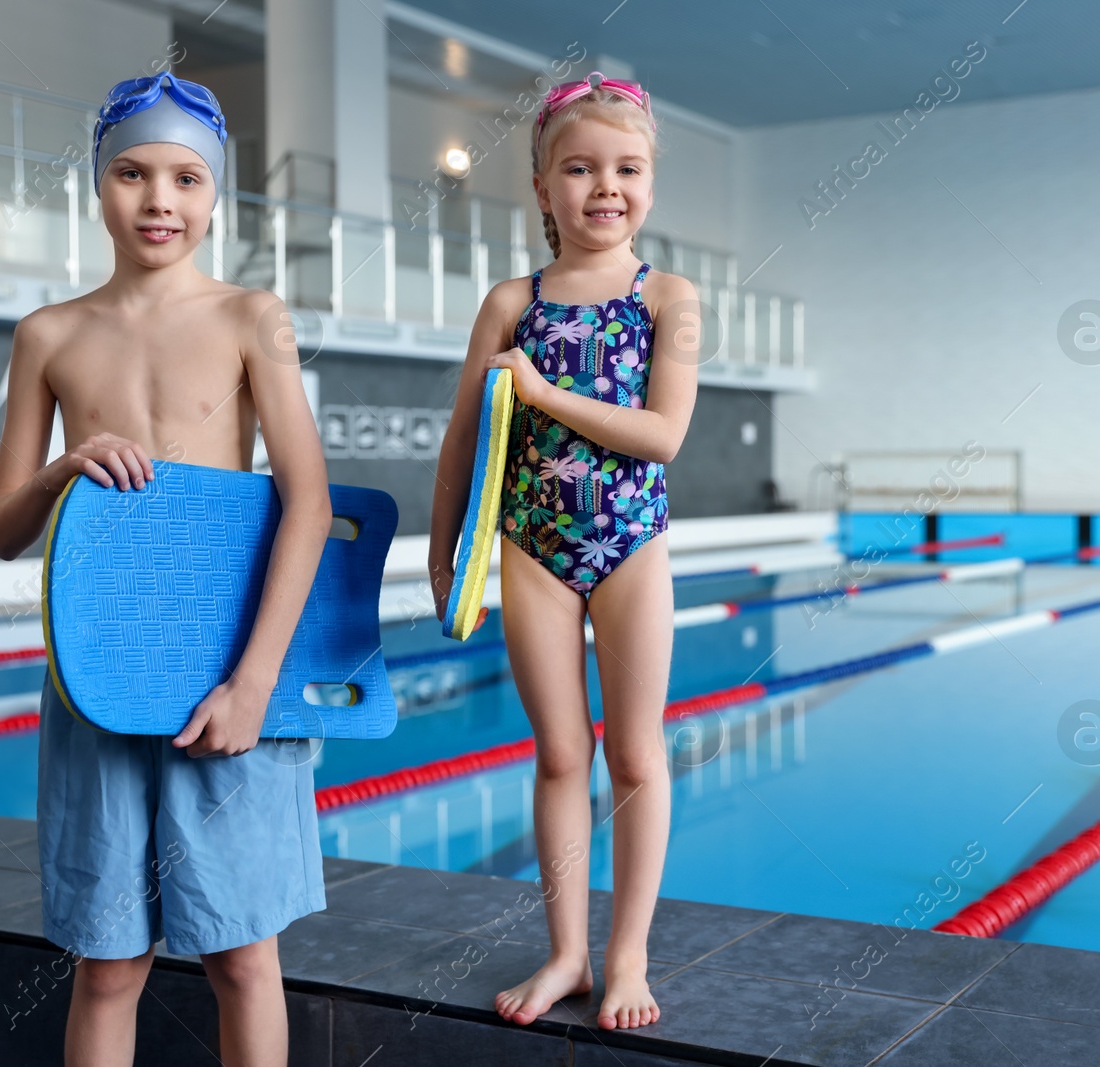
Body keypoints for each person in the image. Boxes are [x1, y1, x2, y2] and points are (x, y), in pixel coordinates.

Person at [0, 72, 331, 1067]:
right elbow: (2, 529)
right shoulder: (47, 334)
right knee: (107, 963)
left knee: (243, 957)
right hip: (95, 677)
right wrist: (63, 465)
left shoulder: (249, 317)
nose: (158, 201)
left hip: (225, 668)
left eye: (185, 178)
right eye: (132, 173)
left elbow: (306, 498)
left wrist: (255, 682)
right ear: (97, 184)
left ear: (215, 194)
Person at [429, 72, 699, 1031]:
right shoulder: (511, 301)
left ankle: (628, 957)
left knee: (632, 753)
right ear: (542, 187)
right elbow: (463, 438)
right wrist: (441, 551)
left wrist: (544, 395)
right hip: (531, 548)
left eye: (626, 168)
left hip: (630, 546)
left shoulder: (668, 297)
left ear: (651, 183)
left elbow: (662, 435)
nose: (604, 187)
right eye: (579, 168)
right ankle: (568, 955)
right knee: (557, 754)